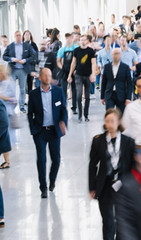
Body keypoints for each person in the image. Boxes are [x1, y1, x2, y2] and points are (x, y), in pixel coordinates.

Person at [88, 108, 137, 240]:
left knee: (122, 222)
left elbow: (134, 166)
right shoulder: (98, 141)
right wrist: (92, 187)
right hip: (105, 187)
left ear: (119, 122)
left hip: (123, 186)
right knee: (108, 222)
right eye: (107, 121)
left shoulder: (128, 142)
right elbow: (93, 165)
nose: (109, 124)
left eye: (112, 121)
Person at [27, 68, 68, 198]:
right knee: (42, 159)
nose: (48, 77)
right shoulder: (33, 94)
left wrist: (63, 122)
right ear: (40, 78)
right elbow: (30, 113)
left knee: (56, 159)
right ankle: (43, 187)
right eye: (45, 75)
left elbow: (63, 110)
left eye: (49, 75)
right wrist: (33, 129)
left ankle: (52, 180)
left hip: (54, 131)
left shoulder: (58, 91)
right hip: (40, 132)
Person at [2, 31, 37, 113]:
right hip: (13, 70)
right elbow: (4, 56)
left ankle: (21, 107)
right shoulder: (10, 46)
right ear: (14, 36)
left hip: (23, 70)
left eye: (19, 35)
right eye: (17, 35)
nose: (18, 37)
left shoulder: (27, 45)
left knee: (22, 89)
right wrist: (12, 59)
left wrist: (25, 60)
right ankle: (12, 107)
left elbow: (32, 56)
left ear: (21, 36)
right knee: (12, 88)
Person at [101, 48, 132, 112]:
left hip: (121, 95)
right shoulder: (107, 66)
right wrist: (102, 97)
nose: (116, 55)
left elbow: (129, 83)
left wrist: (128, 98)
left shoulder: (125, 67)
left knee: (121, 116)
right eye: (114, 54)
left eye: (118, 53)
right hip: (109, 94)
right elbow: (104, 82)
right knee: (109, 114)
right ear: (111, 55)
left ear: (121, 55)